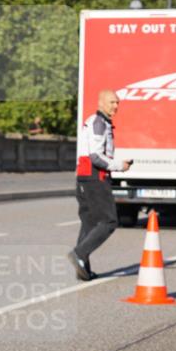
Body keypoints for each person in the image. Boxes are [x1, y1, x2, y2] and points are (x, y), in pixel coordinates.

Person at [69, 89, 131, 281]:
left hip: (84, 177)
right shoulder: (99, 123)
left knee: (89, 223)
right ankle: (79, 254)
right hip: (95, 178)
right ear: (101, 102)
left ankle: (83, 270)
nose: (116, 106)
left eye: (117, 103)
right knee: (109, 222)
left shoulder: (96, 122)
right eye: (112, 102)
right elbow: (96, 156)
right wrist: (119, 166)